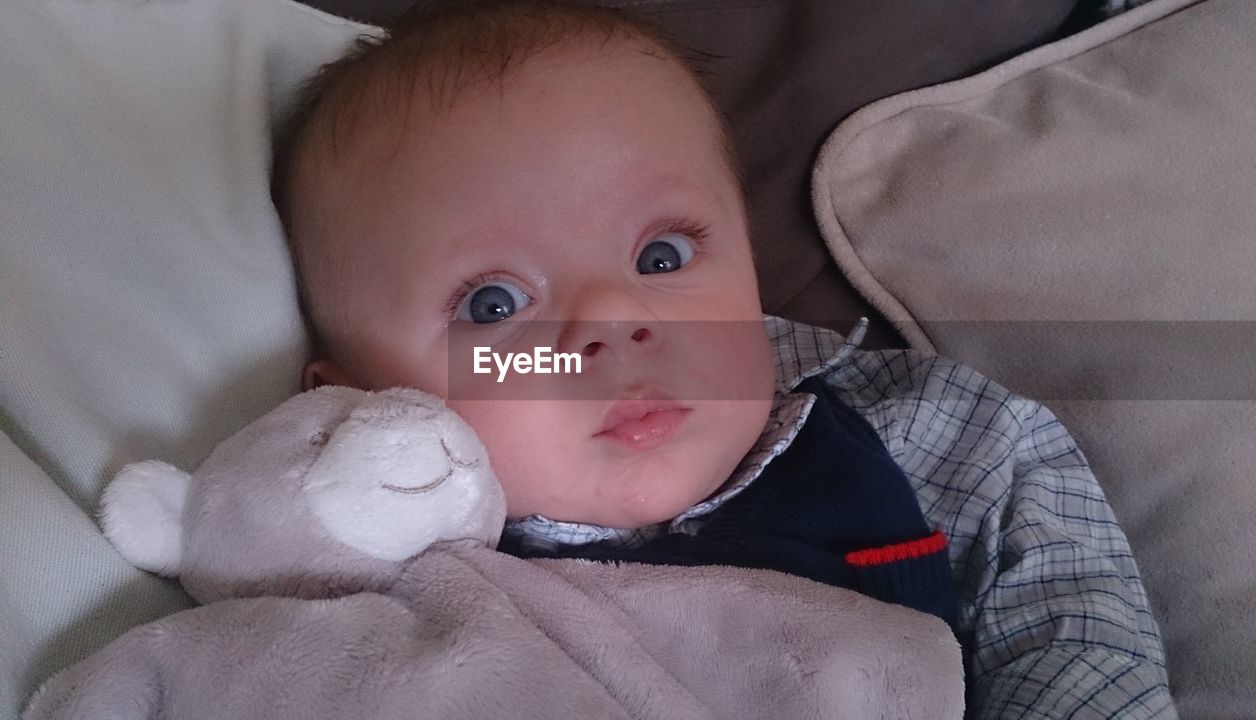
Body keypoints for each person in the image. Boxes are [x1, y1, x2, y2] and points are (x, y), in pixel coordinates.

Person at [271, 1, 1174, 716]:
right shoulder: (360, 565)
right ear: (356, 405)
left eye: (662, 257)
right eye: (494, 304)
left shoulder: (932, 436)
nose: (618, 322)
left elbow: (1072, 629)